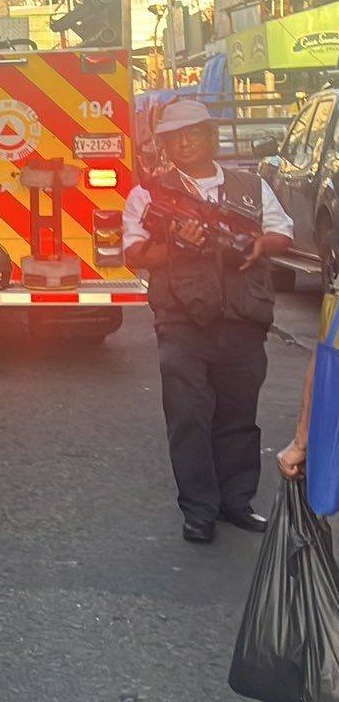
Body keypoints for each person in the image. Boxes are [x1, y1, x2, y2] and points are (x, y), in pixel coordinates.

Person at [123, 98, 292, 544]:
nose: (184, 142)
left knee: (239, 415)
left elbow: (284, 233)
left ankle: (237, 503)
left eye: (193, 132)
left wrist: (257, 245)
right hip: (181, 322)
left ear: (212, 137)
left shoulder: (250, 186)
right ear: (164, 145)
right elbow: (133, 255)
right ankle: (199, 510)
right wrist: (177, 245)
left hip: (242, 319)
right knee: (188, 416)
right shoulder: (147, 195)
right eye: (174, 136)